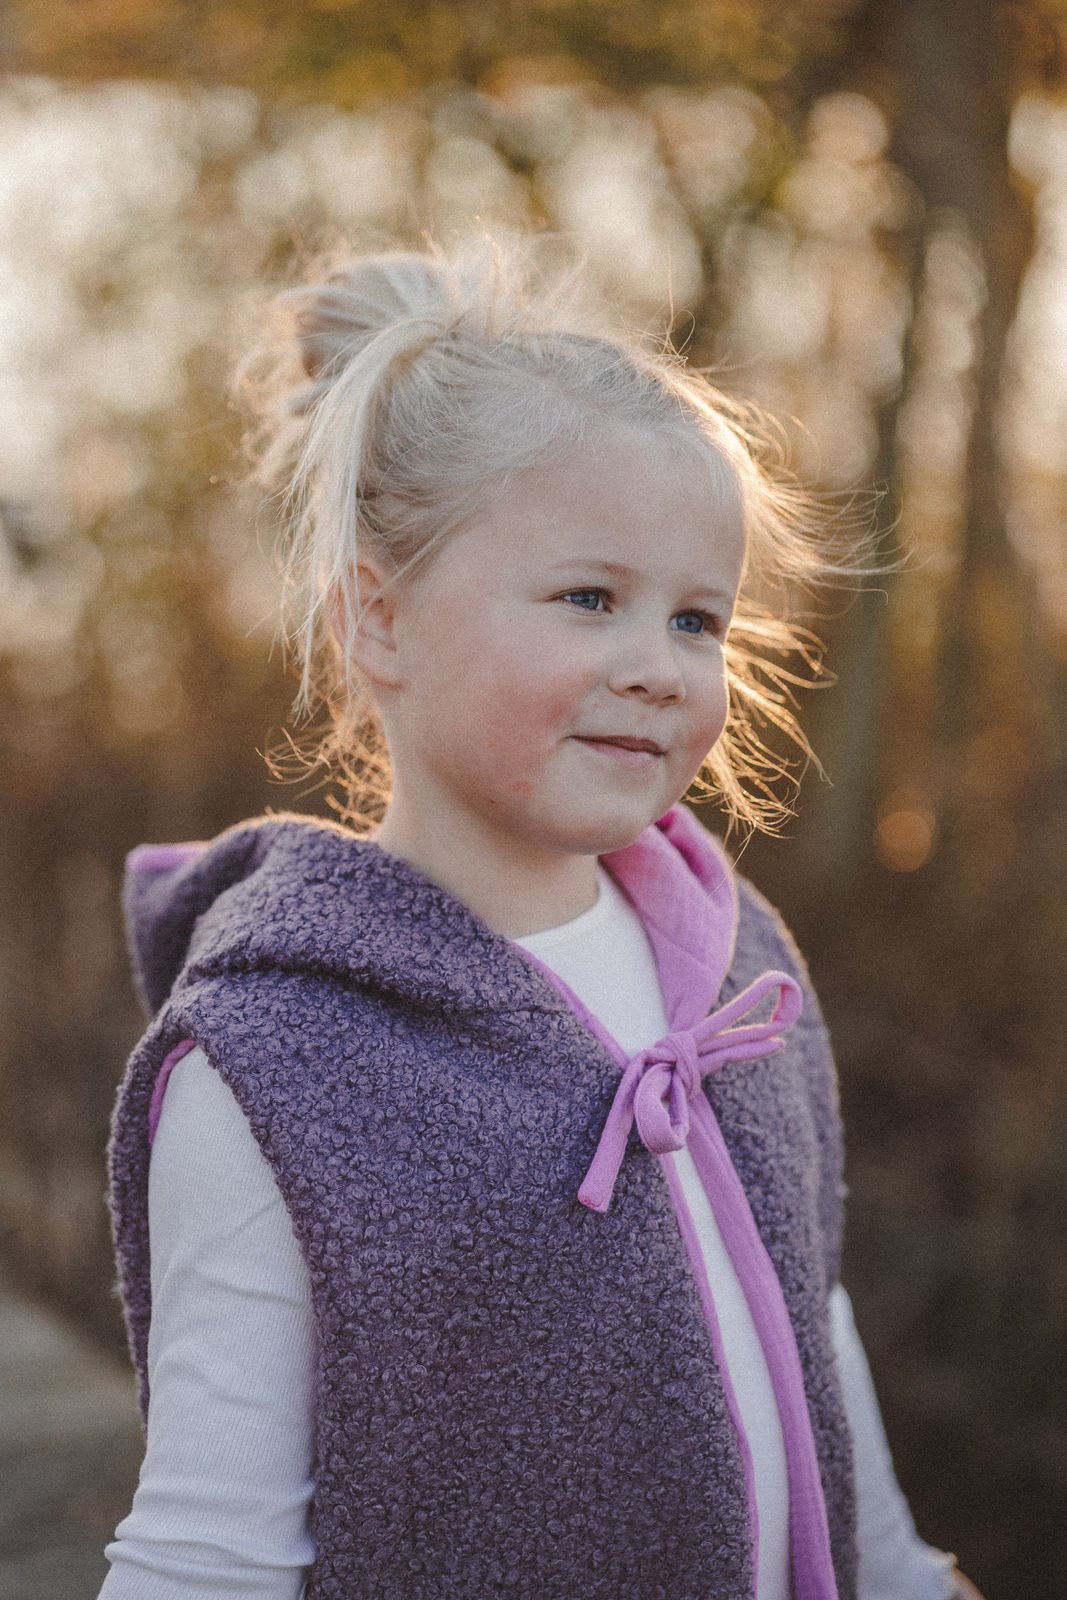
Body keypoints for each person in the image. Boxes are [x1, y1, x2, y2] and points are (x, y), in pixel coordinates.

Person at [101, 233, 985, 1600]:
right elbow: (206, 1555)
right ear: (377, 622)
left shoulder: (738, 971)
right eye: (590, 599)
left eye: (699, 620)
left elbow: (807, 1317)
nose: (656, 668)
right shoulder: (274, 1067)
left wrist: (904, 1576)